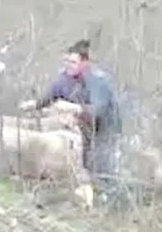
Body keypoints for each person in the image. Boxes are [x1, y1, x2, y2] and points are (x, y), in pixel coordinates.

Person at [19, 39, 122, 196]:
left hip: (104, 130)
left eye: (73, 62)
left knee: (101, 166)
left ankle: (108, 193)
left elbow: (98, 111)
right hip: (82, 129)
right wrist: (34, 104)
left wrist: (73, 108)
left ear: (84, 63)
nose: (68, 65)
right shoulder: (65, 77)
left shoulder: (98, 81)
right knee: (83, 161)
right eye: (66, 61)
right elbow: (51, 94)